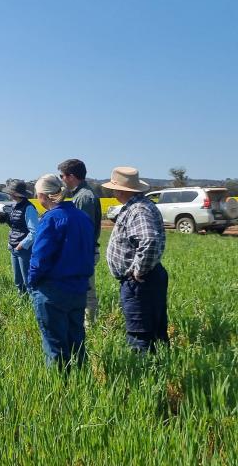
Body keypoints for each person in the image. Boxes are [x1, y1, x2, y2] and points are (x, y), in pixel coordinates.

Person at [28, 174, 94, 369]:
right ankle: (82, 382)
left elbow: (39, 258)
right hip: (79, 288)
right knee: (77, 343)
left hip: (52, 290)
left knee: (55, 346)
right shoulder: (82, 217)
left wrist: (32, 282)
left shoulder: (51, 219)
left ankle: (59, 391)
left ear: (44, 196)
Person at [103, 166, 169, 353]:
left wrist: (138, 270)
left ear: (120, 190)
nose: (113, 191)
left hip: (141, 282)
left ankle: (145, 375)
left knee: (140, 334)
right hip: (145, 279)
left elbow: (149, 239)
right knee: (153, 331)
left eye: (114, 187)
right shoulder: (137, 206)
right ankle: (160, 371)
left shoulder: (139, 209)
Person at [58, 158, 102, 326]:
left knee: (87, 291)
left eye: (62, 176)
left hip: (83, 253)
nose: (61, 179)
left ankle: (90, 326)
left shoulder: (84, 198)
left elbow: (83, 231)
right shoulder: (79, 195)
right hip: (81, 252)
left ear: (71, 176)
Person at [3, 180, 38, 295]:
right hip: (14, 247)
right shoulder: (14, 206)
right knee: (18, 281)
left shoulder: (29, 208)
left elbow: (34, 231)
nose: (9, 194)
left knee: (28, 280)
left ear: (15, 194)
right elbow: (14, 227)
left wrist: (21, 245)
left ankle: (33, 305)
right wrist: (11, 243)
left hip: (24, 249)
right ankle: (22, 301)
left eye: (10, 192)